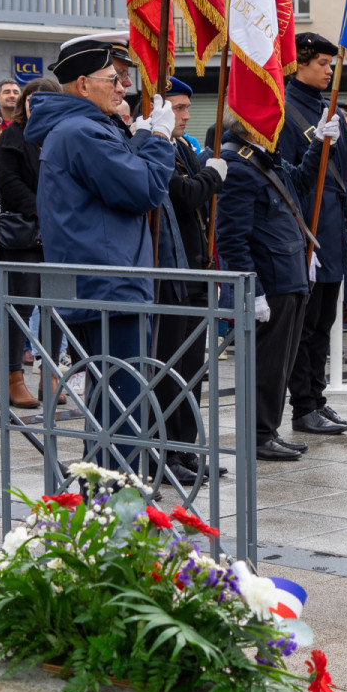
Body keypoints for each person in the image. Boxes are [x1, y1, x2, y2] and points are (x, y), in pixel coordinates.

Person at [27, 38, 176, 471]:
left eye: (124, 79)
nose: (124, 88)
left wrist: (144, 135)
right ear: (82, 84)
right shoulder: (81, 130)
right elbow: (143, 188)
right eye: (114, 79)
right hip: (111, 285)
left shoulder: (85, 127)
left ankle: (102, 503)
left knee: (111, 403)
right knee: (123, 410)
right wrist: (160, 138)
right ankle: (116, 510)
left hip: (107, 281)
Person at [214, 110, 312, 461]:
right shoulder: (238, 165)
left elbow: (299, 191)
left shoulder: (263, 159)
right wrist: (251, 290)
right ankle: (257, 434)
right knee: (267, 365)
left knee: (281, 364)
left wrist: (320, 147)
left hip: (289, 274)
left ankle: (268, 429)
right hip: (271, 281)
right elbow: (231, 239)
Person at [278, 32, 347, 437]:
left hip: (333, 227)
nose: (330, 71)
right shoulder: (287, 110)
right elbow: (290, 177)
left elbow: (344, 170)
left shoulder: (329, 108)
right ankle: (303, 406)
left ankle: (317, 398)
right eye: (323, 64)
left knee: (326, 320)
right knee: (308, 327)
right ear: (300, 64)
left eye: (332, 64)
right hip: (307, 229)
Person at [154, 77, 227, 484]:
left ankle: (186, 447)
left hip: (196, 266)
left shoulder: (182, 146)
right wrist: (214, 175)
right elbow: (184, 194)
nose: (185, 116)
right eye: (178, 109)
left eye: (185, 108)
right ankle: (165, 452)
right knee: (169, 367)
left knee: (192, 369)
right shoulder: (154, 144)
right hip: (172, 271)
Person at [0, 77, 65, 409]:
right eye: (30, 98)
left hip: (57, 234)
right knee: (19, 310)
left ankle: (50, 378)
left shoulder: (59, 136)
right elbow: (6, 182)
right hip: (23, 235)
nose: (34, 104)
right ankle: (12, 380)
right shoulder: (12, 135)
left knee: (53, 308)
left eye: (43, 99)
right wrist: (41, 208)